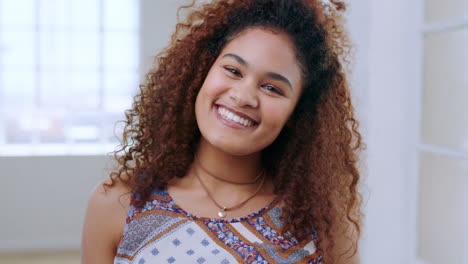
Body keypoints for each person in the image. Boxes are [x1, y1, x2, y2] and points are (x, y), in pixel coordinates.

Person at [81, 0, 363, 263]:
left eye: (272, 88)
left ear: (297, 114)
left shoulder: (323, 225)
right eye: (233, 70)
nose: (243, 97)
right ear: (203, 71)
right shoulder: (117, 204)